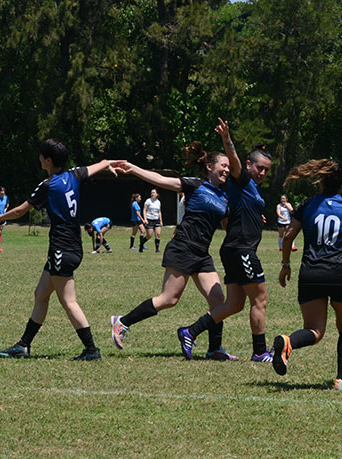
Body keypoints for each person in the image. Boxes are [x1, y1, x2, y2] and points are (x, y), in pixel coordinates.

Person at [0, 139, 118, 361]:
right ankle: (23, 345)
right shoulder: (74, 175)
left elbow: (21, 210)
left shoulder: (48, 185)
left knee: (68, 301)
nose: (39, 158)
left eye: (41, 155)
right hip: (71, 247)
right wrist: (109, 163)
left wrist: (0, 217)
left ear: (48, 160)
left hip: (62, 249)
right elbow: (98, 164)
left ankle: (91, 350)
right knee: (40, 294)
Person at [109, 142, 233, 360]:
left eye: (229, 167)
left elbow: (229, 226)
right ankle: (121, 322)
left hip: (202, 253)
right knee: (169, 299)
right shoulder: (194, 185)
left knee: (217, 300)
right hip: (183, 247)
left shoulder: (224, 196)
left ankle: (215, 349)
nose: (227, 170)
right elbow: (161, 180)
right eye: (223, 165)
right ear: (210, 167)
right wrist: (134, 168)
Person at [271, 159, 342, 391]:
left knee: (315, 330)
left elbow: (289, 236)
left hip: (311, 273)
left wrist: (285, 264)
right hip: (341, 274)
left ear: (320, 180)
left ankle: (289, 342)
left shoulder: (307, 205)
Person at [178, 118, 274, 362]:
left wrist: (255, 217)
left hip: (234, 249)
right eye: (259, 167)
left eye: (266, 170)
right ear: (248, 164)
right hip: (241, 249)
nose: (262, 173)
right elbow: (234, 160)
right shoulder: (241, 179)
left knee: (233, 304)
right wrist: (226, 138)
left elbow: (237, 210)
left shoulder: (251, 189)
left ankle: (190, 331)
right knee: (260, 299)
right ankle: (260, 352)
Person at [142, 189, 163, 253]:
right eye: (151, 192)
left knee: (158, 234)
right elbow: (144, 210)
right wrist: (145, 219)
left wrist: (161, 221)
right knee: (149, 235)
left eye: (153, 192)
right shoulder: (148, 201)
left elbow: (159, 212)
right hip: (149, 219)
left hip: (156, 219)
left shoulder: (158, 202)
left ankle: (157, 249)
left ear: (157, 194)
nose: (152, 194)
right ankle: (141, 244)